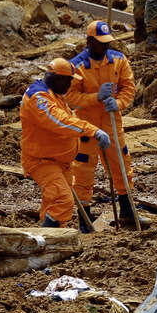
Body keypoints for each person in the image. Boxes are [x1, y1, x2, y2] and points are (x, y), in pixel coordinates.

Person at [65, 21, 140, 229]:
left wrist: (118, 103)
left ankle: (128, 212)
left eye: (107, 42)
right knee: (83, 171)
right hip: (86, 127)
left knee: (122, 167)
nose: (105, 47)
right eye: (100, 43)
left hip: (112, 123)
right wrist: (95, 97)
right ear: (89, 42)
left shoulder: (118, 60)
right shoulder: (77, 66)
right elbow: (70, 97)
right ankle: (85, 221)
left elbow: (128, 88)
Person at [20, 58, 109, 229]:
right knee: (63, 201)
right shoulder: (38, 98)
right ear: (59, 79)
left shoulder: (54, 94)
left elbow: (67, 117)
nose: (70, 86)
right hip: (42, 161)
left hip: (60, 161)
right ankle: (46, 239)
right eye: (69, 81)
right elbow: (59, 121)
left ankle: (51, 240)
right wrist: (91, 130)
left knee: (54, 204)